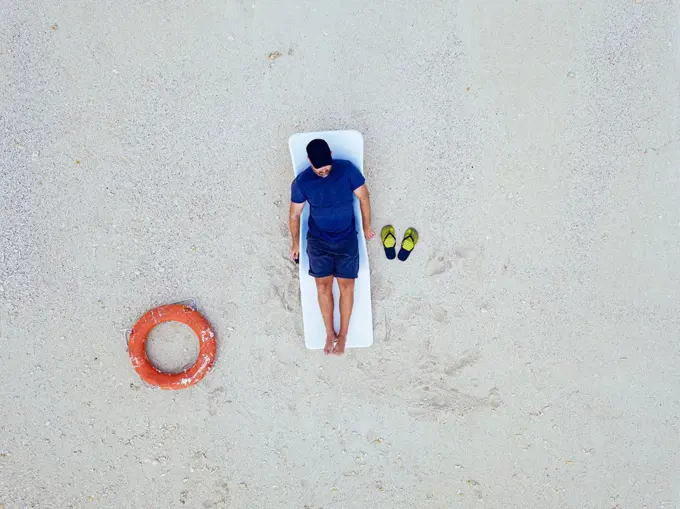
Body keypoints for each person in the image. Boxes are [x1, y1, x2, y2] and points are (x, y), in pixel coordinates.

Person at [289, 139, 375, 355]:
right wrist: (295, 243)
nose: (324, 170)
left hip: (346, 238)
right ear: (310, 162)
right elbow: (294, 214)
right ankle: (330, 332)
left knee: (347, 287)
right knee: (323, 286)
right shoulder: (302, 182)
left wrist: (366, 226)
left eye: (326, 165)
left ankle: (343, 335)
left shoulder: (346, 169)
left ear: (330, 154)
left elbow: (364, 197)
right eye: (319, 167)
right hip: (319, 241)